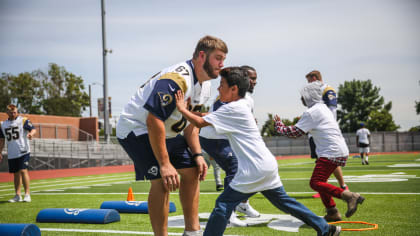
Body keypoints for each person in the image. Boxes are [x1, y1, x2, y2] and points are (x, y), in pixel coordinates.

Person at [175, 67, 341, 236]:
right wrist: (189, 111)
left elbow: (200, 122)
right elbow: (206, 115)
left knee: (223, 205)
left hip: (252, 169)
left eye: (222, 84)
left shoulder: (232, 108)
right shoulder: (238, 106)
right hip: (266, 165)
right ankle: (326, 228)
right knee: (286, 202)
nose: (218, 88)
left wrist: (181, 109)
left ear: (234, 89)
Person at [116, 35, 228, 236]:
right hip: (137, 128)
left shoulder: (205, 84)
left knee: (193, 171)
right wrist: (166, 164)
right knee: (162, 179)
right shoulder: (177, 79)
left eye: (223, 59)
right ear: (202, 56)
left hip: (167, 129)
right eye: (218, 58)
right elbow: (153, 120)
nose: (222, 64)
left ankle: (192, 232)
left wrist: (197, 154)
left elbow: (190, 123)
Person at [274, 81, 365, 222]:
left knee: (315, 182)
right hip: (336, 149)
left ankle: (348, 196)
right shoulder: (322, 108)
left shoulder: (312, 112)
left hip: (331, 151)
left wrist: (279, 126)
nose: (301, 99)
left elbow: (294, 133)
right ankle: (332, 212)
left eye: (303, 96)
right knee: (321, 181)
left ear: (309, 96)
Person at [198, 66, 260, 227]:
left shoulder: (248, 99)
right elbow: (215, 119)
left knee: (251, 169)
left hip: (228, 139)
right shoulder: (226, 97)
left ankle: (242, 204)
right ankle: (228, 213)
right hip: (214, 138)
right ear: (243, 78)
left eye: (255, 79)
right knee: (235, 168)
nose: (254, 82)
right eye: (252, 78)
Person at [305, 70, 349, 198]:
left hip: (325, 132)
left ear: (314, 78)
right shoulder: (316, 92)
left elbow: (332, 110)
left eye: (308, 81)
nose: (307, 84)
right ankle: (334, 187)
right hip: (317, 131)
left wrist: (326, 128)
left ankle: (330, 187)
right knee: (326, 160)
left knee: (326, 159)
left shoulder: (327, 89)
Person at [0, 104, 36, 203]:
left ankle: (27, 194)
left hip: (23, 150)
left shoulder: (23, 120)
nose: (13, 114)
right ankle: (17, 195)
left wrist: (30, 134)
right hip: (12, 152)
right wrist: (0, 151)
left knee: (23, 170)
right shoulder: (3, 125)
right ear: (7, 113)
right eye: (11, 112)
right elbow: (2, 140)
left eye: (14, 112)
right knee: (16, 174)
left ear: (17, 112)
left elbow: (33, 129)